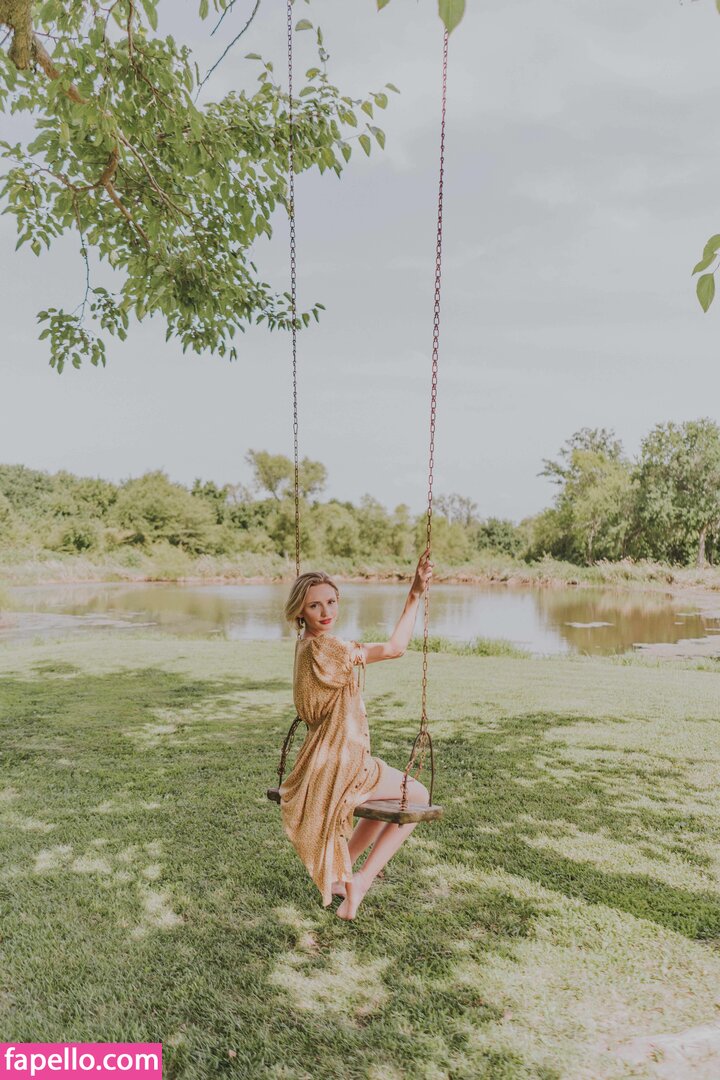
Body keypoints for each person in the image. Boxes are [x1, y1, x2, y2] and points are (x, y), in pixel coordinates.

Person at [279, 550, 433, 921]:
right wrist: (415, 593)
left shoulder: (306, 646)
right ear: (300, 611)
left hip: (322, 759)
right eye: (314, 605)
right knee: (418, 796)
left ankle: (340, 872)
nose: (325, 612)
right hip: (340, 761)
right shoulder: (328, 649)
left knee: (387, 797)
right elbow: (395, 648)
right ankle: (361, 880)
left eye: (331, 602)